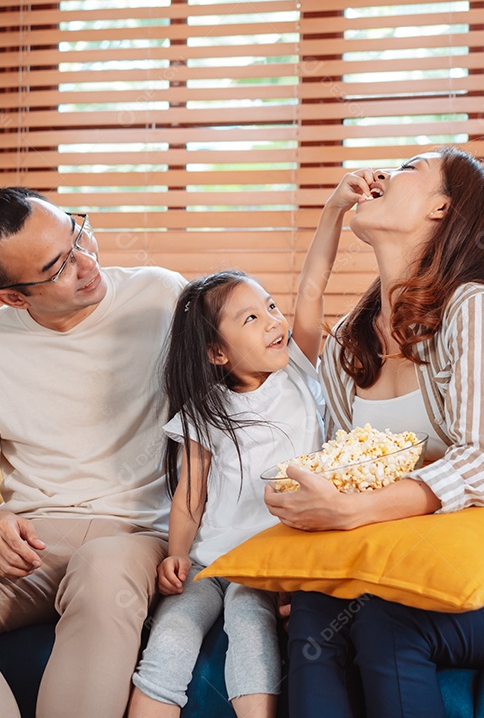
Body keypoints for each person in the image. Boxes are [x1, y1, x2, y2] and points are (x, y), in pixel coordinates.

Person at [264, 146, 484, 717]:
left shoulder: (474, 309)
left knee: (385, 622)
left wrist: (350, 513)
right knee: (315, 611)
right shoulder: (350, 341)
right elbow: (345, 469)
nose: (382, 176)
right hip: (399, 559)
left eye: (407, 169)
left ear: (442, 208)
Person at [0, 187, 188, 718]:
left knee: (102, 566)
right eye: (57, 268)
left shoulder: (162, 297)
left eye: (77, 233)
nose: (87, 262)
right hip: (37, 537)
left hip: (142, 533)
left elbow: (248, 392)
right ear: (13, 298)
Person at [128, 209, 340, 718]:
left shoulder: (299, 374)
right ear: (217, 353)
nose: (274, 322)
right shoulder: (206, 410)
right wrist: (176, 554)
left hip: (263, 565)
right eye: (252, 318)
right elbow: (191, 494)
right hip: (207, 560)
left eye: (270, 306)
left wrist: (333, 209)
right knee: (172, 634)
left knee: (249, 626)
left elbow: (311, 288)